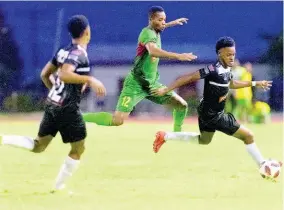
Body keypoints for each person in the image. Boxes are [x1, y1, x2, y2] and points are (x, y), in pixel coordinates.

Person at [0, 15, 106, 191]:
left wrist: (55, 93)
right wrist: (91, 80)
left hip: (53, 104)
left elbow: (44, 74)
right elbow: (64, 74)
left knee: (38, 146)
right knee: (78, 148)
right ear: (87, 31)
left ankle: (4, 139)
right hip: (67, 109)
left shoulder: (63, 51)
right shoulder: (79, 53)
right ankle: (58, 187)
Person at [151, 36, 278, 170]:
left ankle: (165, 136)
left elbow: (231, 84)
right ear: (219, 54)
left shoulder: (227, 70)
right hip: (213, 114)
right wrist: (166, 89)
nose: (231, 57)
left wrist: (255, 83)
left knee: (204, 140)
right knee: (248, 136)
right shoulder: (212, 70)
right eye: (228, 54)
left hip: (207, 111)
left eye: (233, 54)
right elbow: (188, 77)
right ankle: (264, 165)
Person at [83, 6, 197, 132]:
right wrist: (178, 56)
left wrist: (172, 23)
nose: (163, 23)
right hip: (135, 84)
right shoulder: (147, 33)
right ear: (151, 19)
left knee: (181, 105)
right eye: (160, 20)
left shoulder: (156, 30)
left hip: (151, 85)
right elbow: (153, 51)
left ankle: (176, 135)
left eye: (164, 20)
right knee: (117, 120)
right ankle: (81, 117)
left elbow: (161, 26)